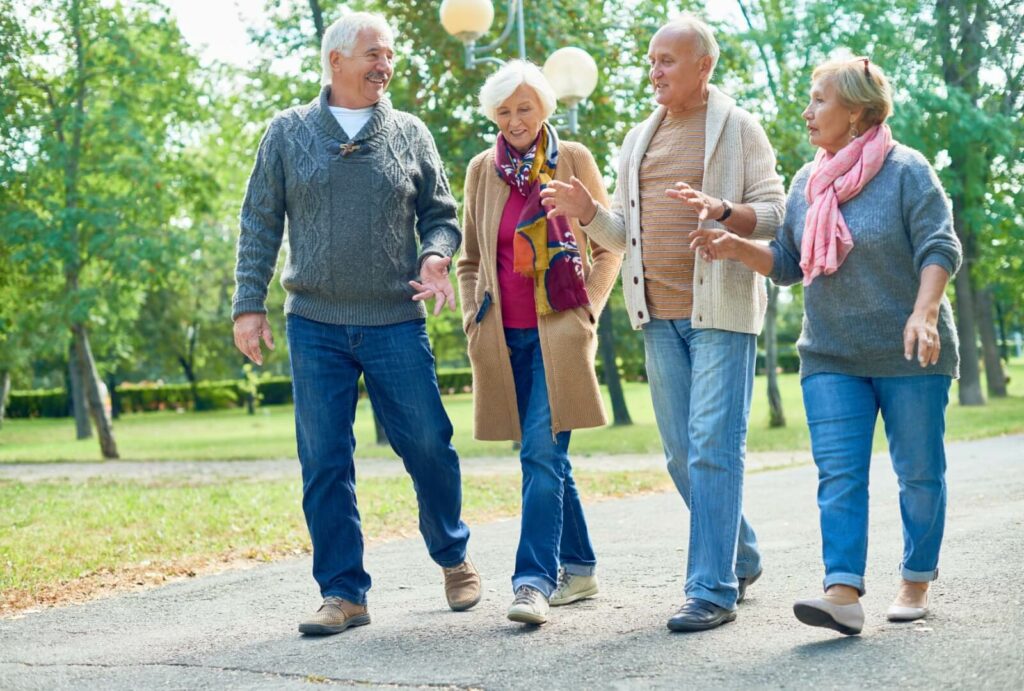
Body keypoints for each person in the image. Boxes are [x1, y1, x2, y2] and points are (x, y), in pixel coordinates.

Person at [688, 56, 962, 636]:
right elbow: (788, 262)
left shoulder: (908, 171)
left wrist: (925, 313)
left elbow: (940, 246)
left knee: (918, 472)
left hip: (911, 352)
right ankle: (842, 593)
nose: (807, 111)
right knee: (839, 476)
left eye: (819, 100)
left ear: (859, 113)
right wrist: (737, 246)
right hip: (830, 353)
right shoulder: (807, 182)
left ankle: (915, 575)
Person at [231, 11, 481, 636]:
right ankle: (343, 594)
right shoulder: (287, 133)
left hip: (395, 318)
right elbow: (260, 221)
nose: (385, 65)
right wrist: (248, 304)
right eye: (374, 53)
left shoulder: (410, 132)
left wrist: (436, 255)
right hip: (314, 321)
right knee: (324, 459)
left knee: (427, 441)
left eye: (390, 55)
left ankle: (452, 555)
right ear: (336, 59)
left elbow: (442, 214)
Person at [539, 14, 785, 632]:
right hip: (658, 316)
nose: (654, 72)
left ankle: (712, 589)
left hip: (721, 314)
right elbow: (622, 233)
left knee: (712, 449)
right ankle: (741, 554)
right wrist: (587, 211)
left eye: (667, 61)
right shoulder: (638, 138)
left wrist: (725, 213)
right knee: (681, 454)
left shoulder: (738, 129)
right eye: (651, 61)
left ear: (704, 66)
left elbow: (777, 211)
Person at [456, 61, 621, 625]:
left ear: (544, 108)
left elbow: (610, 244)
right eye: (503, 111)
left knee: (539, 455)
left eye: (524, 108)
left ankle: (532, 583)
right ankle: (580, 567)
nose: (515, 120)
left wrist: (587, 312)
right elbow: (470, 259)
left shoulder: (571, 159)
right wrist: (471, 320)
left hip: (560, 335)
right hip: (504, 341)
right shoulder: (482, 169)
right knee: (547, 458)